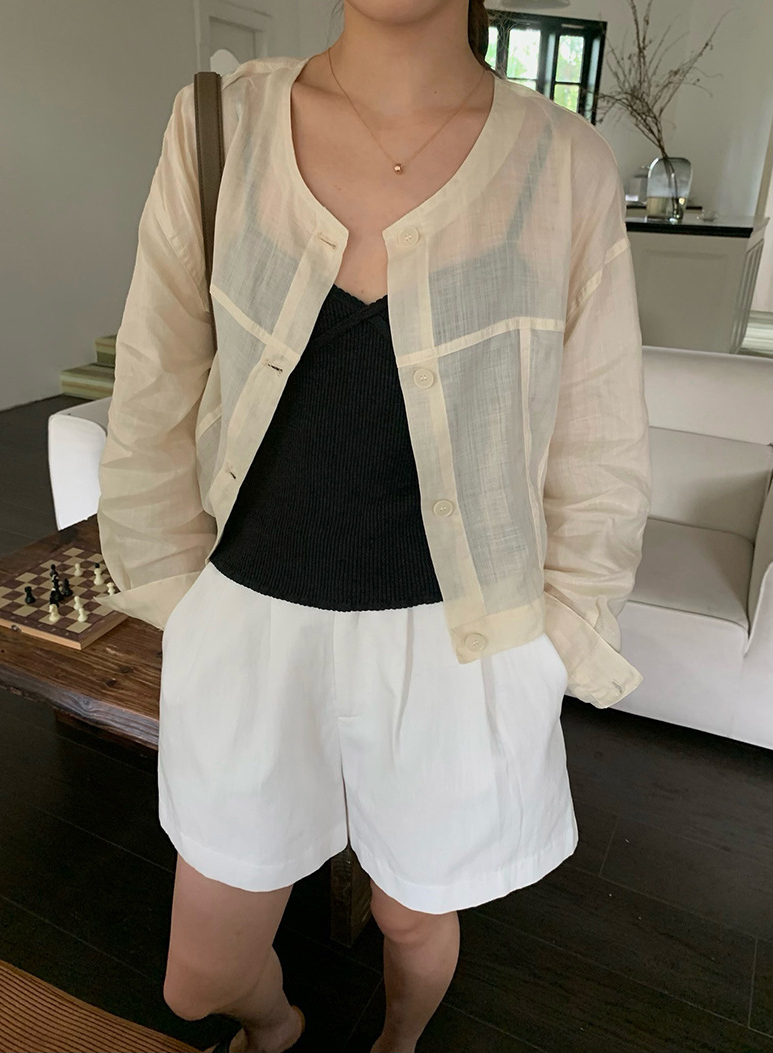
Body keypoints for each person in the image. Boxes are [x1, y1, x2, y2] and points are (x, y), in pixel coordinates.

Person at [96, 1, 652, 1051]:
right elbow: (155, 382)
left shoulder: (564, 163)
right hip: (251, 619)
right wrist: (181, 597)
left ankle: (397, 1041)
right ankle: (279, 1024)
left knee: (413, 916)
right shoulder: (219, 123)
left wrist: (556, 642)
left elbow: (597, 435)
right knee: (197, 975)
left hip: (457, 641)